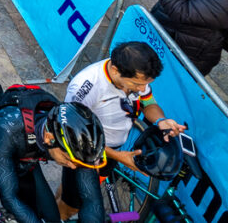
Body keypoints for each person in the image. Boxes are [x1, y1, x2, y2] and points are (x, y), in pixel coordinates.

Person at [58, 41, 186, 219]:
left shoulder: (137, 78)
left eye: (146, 84)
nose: (142, 89)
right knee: (72, 207)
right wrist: (119, 157)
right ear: (115, 70)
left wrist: (161, 121)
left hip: (111, 150)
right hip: (85, 153)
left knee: (68, 191)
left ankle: (57, 203)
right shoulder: (86, 86)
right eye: (136, 84)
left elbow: (149, 103)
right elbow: (72, 135)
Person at [0, 90, 106, 223]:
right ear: (49, 138)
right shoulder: (10, 127)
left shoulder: (76, 145)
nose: (73, 167)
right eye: (69, 159)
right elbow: (9, 197)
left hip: (25, 163)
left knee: (52, 219)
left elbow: (91, 200)